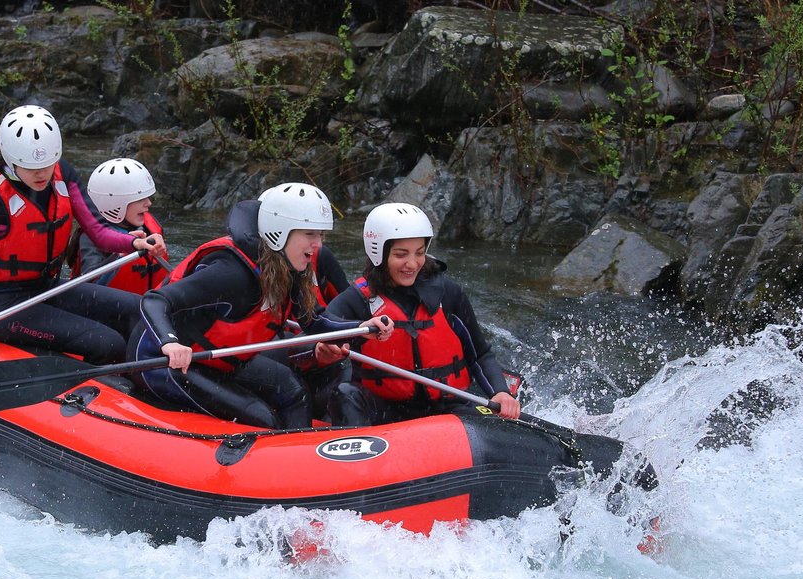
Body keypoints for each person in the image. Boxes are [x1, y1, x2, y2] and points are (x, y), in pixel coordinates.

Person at [0, 105, 167, 367]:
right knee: (107, 343)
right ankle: (94, 393)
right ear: (11, 161)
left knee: (138, 308)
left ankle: (150, 381)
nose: (41, 174)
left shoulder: (63, 175)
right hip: (2, 307)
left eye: (47, 164)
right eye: (31, 167)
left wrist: (133, 242)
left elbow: (98, 231)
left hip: (45, 288)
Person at [129, 183, 389, 430]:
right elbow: (155, 300)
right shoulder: (231, 273)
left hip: (221, 361)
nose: (318, 244)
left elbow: (314, 322)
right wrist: (170, 343)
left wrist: (359, 327)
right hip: (162, 361)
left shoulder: (290, 270)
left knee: (294, 392)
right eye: (310, 234)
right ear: (280, 232)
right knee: (262, 417)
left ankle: (302, 466)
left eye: (320, 235)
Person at [326, 202, 522, 426]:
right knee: (344, 393)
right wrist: (353, 332)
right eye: (401, 254)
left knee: (494, 424)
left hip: (447, 407)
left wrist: (500, 392)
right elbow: (321, 328)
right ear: (378, 252)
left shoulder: (448, 294)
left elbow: (480, 354)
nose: (412, 263)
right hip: (385, 410)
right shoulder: (359, 298)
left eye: (419, 253)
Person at [69, 157, 169, 294]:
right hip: (107, 310)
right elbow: (89, 288)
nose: (148, 203)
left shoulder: (149, 226)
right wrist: (120, 255)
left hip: (152, 304)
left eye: (148, 197)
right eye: (140, 199)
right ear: (115, 203)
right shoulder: (90, 238)